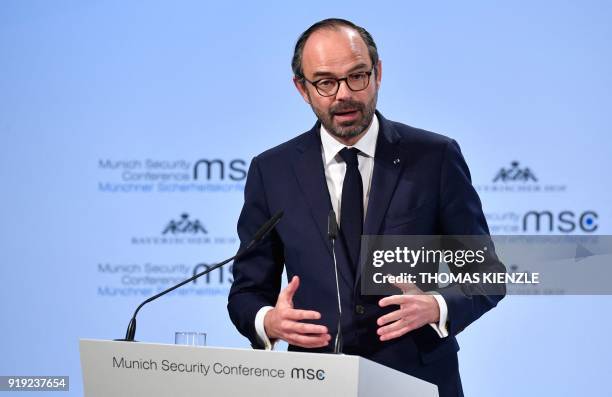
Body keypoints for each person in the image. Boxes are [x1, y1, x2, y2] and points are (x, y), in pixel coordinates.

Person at [228, 18, 504, 397]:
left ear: (378, 73)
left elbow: (487, 274)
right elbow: (246, 292)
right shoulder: (271, 171)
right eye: (325, 82)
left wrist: (437, 305)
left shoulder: (435, 157)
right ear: (302, 89)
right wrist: (268, 322)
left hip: (417, 378)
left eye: (357, 76)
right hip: (311, 382)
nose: (343, 94)